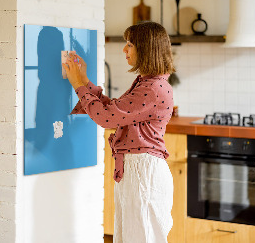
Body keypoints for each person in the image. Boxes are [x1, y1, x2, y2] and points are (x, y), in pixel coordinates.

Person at [62, 21, 175, 243]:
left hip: (143, 172)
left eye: (130, 44)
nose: (124, 49)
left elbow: (106, 118)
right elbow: (114, 111)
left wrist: (78, 85)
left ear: (146, 48)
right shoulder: (148, 83)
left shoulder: (152, 88)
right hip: (137, 170)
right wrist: (84, 80)